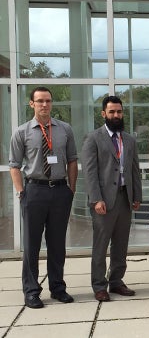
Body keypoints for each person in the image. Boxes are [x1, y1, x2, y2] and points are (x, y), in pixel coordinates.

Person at [9, 87, 78, 309]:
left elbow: (72, 160)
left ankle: (58, 288)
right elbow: (14, 165)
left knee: (57, 244)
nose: (44, 105)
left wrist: (71, 189)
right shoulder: (22, 132)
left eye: (48, 100)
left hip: (59, 191)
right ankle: (31, 291)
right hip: (34, 191)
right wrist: (22, 192)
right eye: (39, 101)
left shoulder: (64, 129)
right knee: (31, 244)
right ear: (32, 104)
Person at [81, 95, 142, 302]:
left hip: (125, 198)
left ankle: (116, 281)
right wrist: (96, 199)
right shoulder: (93, 138)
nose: (116, 115)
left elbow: (134, 169)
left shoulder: (129, 139)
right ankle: (99, 285)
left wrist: (137, 196)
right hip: (104, 201)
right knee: (101, 244)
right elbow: (89, 172)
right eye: (112, 112)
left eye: (119, 112)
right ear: (103, 114)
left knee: (121, 243)